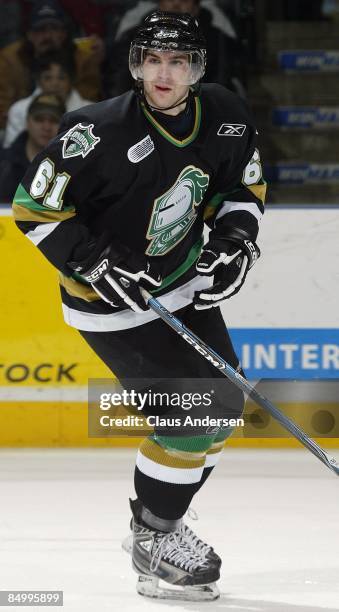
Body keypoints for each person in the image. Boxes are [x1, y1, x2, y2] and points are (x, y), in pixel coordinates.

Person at [12, 11, 266, 601]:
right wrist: (95, 261)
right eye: (153, 60)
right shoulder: (94, 131)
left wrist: (233, 244)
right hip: (111, 305)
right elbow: (34, 208)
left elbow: (243, 188)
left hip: (180, 283)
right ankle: (155, 538)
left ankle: (160, 514)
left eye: (178, 61)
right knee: (188, 421)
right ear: (136, 66)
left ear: (197, 68)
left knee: (224, 410)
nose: (164, 73)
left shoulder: (225, 115)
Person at [104, 0, 246, 98]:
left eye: (184, 1)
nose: (176, 4)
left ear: (196, 7)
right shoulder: (135, 36)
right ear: (159, 3)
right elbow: (119, 81)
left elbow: (221, 83)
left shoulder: (216, 39)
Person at [0, 0, 103, 130]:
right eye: (40, 30)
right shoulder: (9, 59)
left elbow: (87, 104)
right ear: (29, 35)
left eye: (54, 28)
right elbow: (2, 112)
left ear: (64, 33)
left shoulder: (82, 58)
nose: (48, 36)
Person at [3, 52, 92, 148]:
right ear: (38, 81)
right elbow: (11, 151)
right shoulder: (19, 110)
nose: (55, 83)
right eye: (47, 77)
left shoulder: (90, 112)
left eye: (61, 78)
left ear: (71, 80)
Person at [0, 93, 64, 202]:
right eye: (39, 119)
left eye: (54, 121)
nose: (46, 127)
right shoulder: (3, 162)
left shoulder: (71, 166)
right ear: (27, 122)